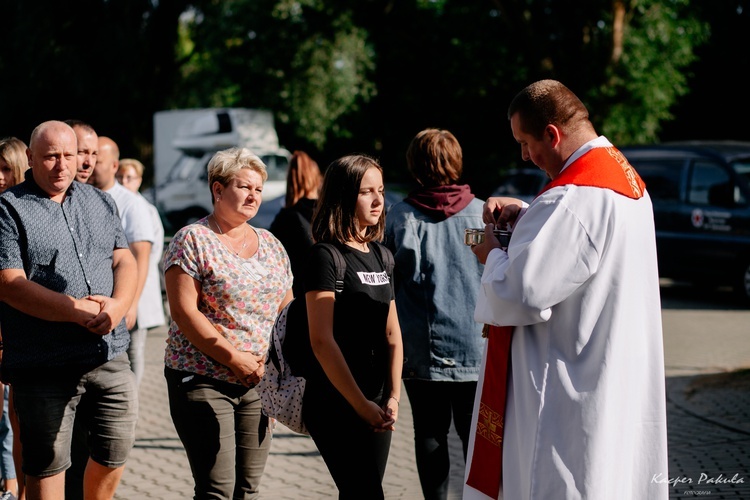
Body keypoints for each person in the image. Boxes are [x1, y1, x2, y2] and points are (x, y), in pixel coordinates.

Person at [464, 80, 668, 499]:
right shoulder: (624, 183)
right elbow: (570, 254)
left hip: (564, 391)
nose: (524, 155)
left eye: (525, 142)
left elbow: (520, 292)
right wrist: (528, 215)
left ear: (552, 134)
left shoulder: (573, 200)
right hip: (608, 371)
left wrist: (490, 254)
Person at [0, 120, 138, 499]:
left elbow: (124, 258)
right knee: (47, 464)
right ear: (30, 158)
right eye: (50, 157)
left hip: (107, 353)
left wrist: (120, 304)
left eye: (68, 155)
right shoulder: (8, 209)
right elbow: (9, 285)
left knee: (116, 450)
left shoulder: (100, 201)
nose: (61, 165)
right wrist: (76, 310)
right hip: (43, 362)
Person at [163, 147, 293, 498]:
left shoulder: (271, 244)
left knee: (247, 488)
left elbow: (287, 310)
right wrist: (234, 358)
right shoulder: (192, 239)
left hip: (258, 382)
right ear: (218, 190)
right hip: (204, 378)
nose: (253, 195)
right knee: (217, 489)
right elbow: (184, 313)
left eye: (258, 189)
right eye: (244, 186)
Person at [384, 128, 485, 500]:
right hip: (477, 347)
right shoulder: (482, 213)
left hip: (421, 350)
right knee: (474, 435)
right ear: (456, 163)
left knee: (429, 432)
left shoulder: (400, 218)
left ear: (415, 166)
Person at [303, 154, 403, 499]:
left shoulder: (381, 255)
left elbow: (392, 334)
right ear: (344, 196)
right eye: (366, 192)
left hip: (376, 399)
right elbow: (321, 341)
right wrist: (360, 405)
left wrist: (392, 396)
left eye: (381, 190)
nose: (378, 201)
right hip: (336, 400)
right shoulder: (325, 257)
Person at [90, 138, 156, 386]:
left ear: (114, 165)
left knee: (132, 353)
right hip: (104, 302)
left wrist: (131, 302)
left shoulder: (131, 203)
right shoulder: (87, 197)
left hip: (127, 297)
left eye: (98, 159)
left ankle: (132, 405)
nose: (90, 163)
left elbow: (141, 254)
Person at [0, 136, 27, 500]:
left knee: (18, 421)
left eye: (6, 168)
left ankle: (15, 489)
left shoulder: (26, 213)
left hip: (19, 331)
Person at [269, 151, 323, 298]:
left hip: (296, 297)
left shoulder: (284, 219)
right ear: (316, 177)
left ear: (290, 180)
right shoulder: (329, 213)